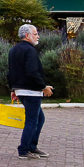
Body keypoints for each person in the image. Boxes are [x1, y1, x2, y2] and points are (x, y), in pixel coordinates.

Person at [8, 24, 53, 159]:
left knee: (39, 118)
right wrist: (43, 87)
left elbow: (11, 72)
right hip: (31, 90)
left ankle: (32, 146)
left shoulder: (13, 49)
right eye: (35, 34)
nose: (38, 36)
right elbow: (32, 71)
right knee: (32, 120)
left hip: (21, 89)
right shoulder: (30, 50)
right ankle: (24, 149)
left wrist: (13, 88)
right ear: (27, 35)